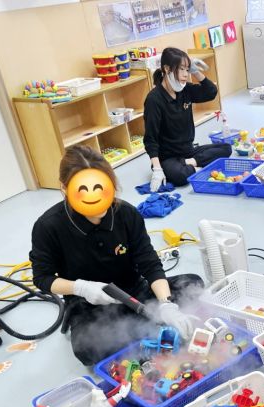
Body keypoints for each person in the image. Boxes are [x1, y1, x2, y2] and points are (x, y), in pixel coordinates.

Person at [30, 145, 202, 365]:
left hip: (134, 292)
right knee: (87, 350)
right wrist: (81, 288)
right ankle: (149, 329)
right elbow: (42, 278)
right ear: (64, 188)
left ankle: (146, 327)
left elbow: (149, 263)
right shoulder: (48, 226)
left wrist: (167, 304)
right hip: (88, 305)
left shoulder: (126, 214)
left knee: (193, 284)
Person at [144, 47, 232, 190]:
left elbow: (211, 92)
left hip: (188, 152)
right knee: (179, 175)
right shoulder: (154, 99)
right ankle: (194, 167)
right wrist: (157, 169)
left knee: (226, 148)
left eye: (187, 69)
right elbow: (150, 139)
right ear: (167, 69)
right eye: (182, 69)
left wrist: (195, 71)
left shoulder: (185, 90)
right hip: (168, 157)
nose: (186, 74)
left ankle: (191, 163)